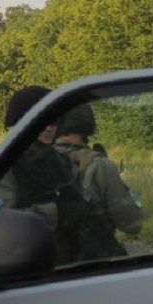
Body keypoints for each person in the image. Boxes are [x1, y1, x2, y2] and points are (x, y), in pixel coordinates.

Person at [0, 86, 123, 264]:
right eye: (41, 120)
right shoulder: (1, 166)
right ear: (19, 122)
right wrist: (55, 213)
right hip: (24, 269)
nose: (49, 127)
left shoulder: (59, 162)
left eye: (54, 120)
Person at [54, 103, 143, 240]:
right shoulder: (99, 165)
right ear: (86, 127)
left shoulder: (38, 161)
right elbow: (131, 224)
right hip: (92, 253)